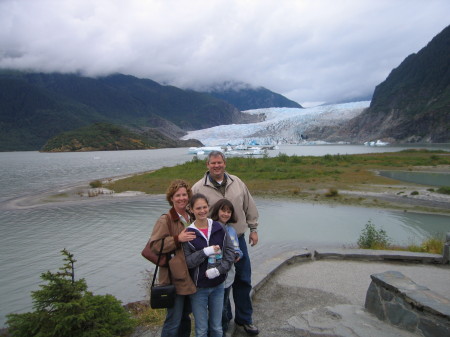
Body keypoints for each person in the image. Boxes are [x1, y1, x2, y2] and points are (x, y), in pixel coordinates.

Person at [192, 151, 260, 335]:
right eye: (213, 163)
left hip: (238, 239)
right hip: (215, 244)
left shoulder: (237, 182)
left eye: (219, 162)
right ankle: (224, 320)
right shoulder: (198, 187)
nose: (216, 166)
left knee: (243, 279)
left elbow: (249, 206)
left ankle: (245, 319)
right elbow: (194, 214)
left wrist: (253, 229)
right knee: (220, 282)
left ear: (225, 163)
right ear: (207, 165)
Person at [149, 179, 197, 337]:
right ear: (171, 198)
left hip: (189, 275)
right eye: (178, 195)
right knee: (173, 320)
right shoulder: (165, 219)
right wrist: (177, 239)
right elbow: (155, 245)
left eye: (184, 194)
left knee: (185, 317)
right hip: (173, 277)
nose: (182, 198)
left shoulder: (191, 216)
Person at [182, 193, 235, 337]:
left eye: (204, 207)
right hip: (199, 288)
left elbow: (230, 252)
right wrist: (205, 252)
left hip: (218, 286)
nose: (202, 211)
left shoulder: (218, 227)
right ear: (191, 210)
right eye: (198, 208)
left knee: (217, 328)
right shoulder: (189, 233)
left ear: (208, 207)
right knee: (201, 330)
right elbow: (188, 262)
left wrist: (220, 270)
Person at [210, 199, 243, 335]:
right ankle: (219, 328)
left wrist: (237, 254)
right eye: (223, 210)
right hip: (214, 274)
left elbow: (237, 249)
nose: (226, 214)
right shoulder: (211, 227)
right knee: (216, 305)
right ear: (217, 211)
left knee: (223, 301)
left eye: (229, 211)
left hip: (228, 274)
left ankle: (223, 327)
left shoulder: (231, 230)